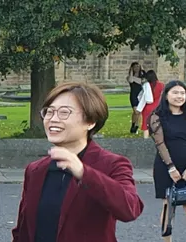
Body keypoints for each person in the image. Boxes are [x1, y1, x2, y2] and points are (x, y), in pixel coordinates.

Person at [11, 82, 144, 242]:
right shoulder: (35, 170)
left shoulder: (112, 164)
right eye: (49, 112)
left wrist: (83, 172)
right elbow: (23, 229)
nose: (53, 119)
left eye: (64, 113)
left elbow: (130, 209)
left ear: (90, 121)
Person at [149, 81, 186, 242]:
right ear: (166, 95)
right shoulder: (157, 116)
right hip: (165, 167)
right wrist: (171, 168)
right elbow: (160, 143)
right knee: (168, 204)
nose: (179, 96)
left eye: (182, 93)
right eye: (175, 93)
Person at [138, 70, 164, 136]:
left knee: (145, 126)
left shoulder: (147, 85)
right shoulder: (161, 85)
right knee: (158, 125)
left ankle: (146, 140)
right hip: (158, 107)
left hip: (147, 107)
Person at [129, 62, 146, 134]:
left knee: (138, 112)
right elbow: (130, 80)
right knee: (136, 111)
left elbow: (141, 82)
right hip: (133, 95)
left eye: (138, 66)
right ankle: (134, 125)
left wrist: (134, 79)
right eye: (135, 67)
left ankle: (136, 126)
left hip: (141, 95)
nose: (137, 68)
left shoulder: (143, 75)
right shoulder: (130, 76)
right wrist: (131, 73)